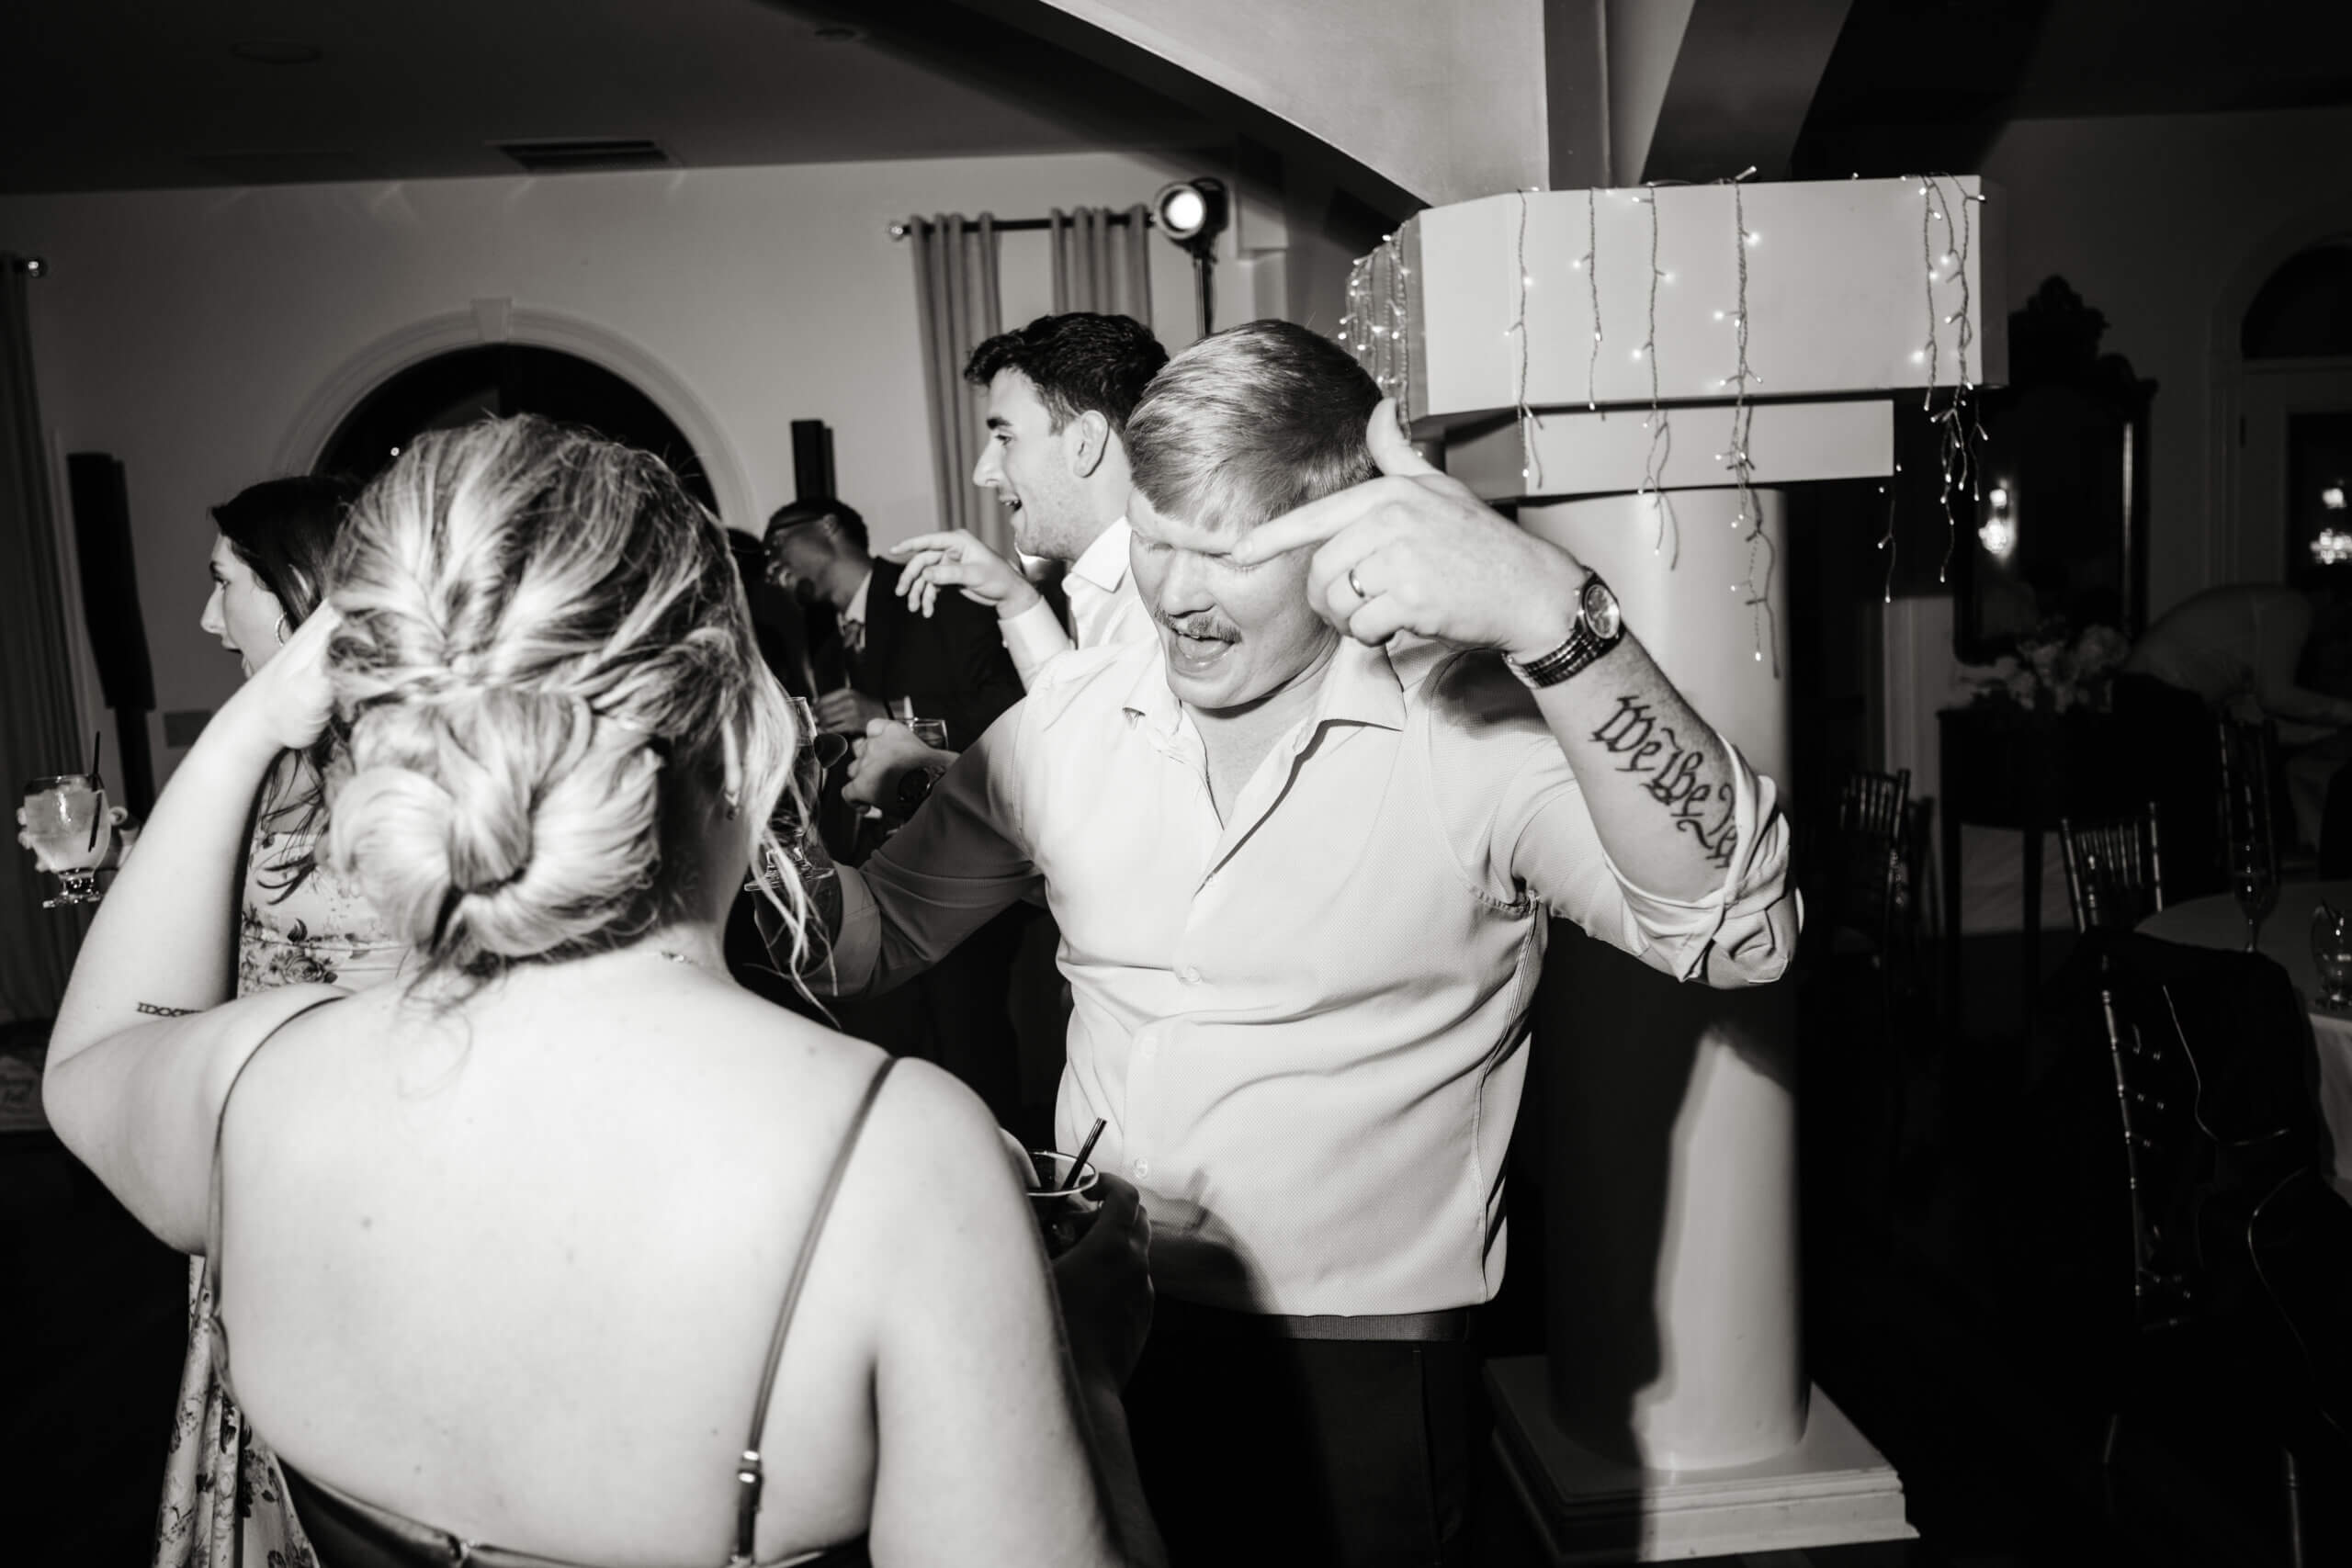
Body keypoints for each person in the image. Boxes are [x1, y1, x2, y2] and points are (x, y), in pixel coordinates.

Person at [44, 416, 1164, 1568]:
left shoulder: (258, 1085)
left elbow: (91, 1057)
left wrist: (248, 730)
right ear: (751, 739)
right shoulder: (895, 1160)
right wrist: (1075, 1374)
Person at [800, 321, 1799, 1565]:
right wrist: (718, 804)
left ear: (1341, 543)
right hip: (1095, 1317)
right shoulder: (1069, 723)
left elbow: (1741, 931)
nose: (1175, 594)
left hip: (1358, 1366)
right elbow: (871, 938)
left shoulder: (1465, 731)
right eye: (1157, 536)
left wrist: (1557, 616)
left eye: (1226, 553)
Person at [164, 474, 406, 1568]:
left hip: (366, 1182)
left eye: (226, 583)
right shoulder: (276, 759)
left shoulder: (404, 767)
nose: (208, 619)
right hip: (256, 1167)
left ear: (297, 588)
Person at [845, 312, 1164, 816]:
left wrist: (924, 778)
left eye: (1005, 437)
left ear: (1085, 442)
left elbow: (1109, 817)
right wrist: (1015, 599)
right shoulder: (1114, 582)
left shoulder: (1163, 602)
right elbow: (1078, 730)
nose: (982, 472)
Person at [763, 497, 1022, 752]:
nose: (770, 568)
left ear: (827, 525)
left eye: (776, 544)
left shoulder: (935, 591)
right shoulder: (824, 648)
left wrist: (891, 713)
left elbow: (1010, 703)